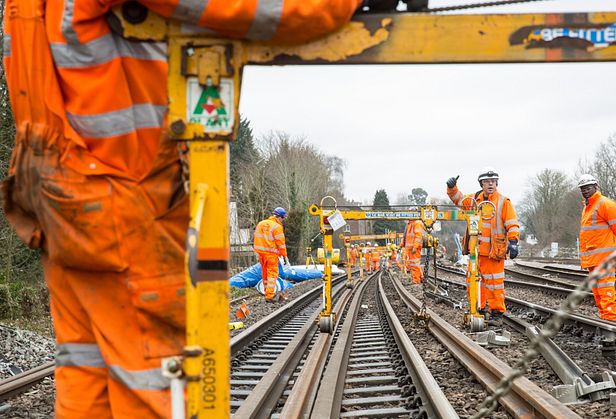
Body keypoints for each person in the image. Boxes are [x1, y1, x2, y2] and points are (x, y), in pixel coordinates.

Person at [1, 0, 389, 415]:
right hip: (127, 213)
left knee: (86, 371)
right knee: (153, 380)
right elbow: (263, 9)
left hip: (61, 203)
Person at [447, 167, 520, 319]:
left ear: (497, 183)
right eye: (487, 181)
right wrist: (452, 187)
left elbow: (512, 223)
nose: (490, 184)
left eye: (493, 181)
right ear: (481, 184)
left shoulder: (503, 202)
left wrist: (513, 241)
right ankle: (477, 309)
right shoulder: (474, 200)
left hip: (494, 251)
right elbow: (458, 199)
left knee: (495, 284)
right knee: (473, 281)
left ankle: (496, 313)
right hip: (476, 251)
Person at [577, 174, 616, 322]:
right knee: (597, 290)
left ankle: (610, 320)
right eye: (582, 189)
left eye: (588, 187)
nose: (585, 191)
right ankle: (604, 318)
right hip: (593, 257)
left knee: (605, 288)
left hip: (605, 257)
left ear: (596, 186)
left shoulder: (606, 204)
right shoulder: (587, 207)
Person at [253, 207, 290, 302]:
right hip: (271, 255)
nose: (283, 220)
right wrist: (284, 255)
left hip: (261, 254)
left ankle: (266, 292)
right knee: (272, 275)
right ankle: (269, 295)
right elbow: (281, 244)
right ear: (280, 217)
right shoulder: (277, 227)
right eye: (283, 218)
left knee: (265, 274)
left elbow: (256, 239)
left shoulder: (261, 224)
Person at [403, 208, 425, 284]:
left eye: (411, 212)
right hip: (411, 248)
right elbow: (406, 236)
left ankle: (416, 281)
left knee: (414, 264)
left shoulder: (417, 223)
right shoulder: (410, 224)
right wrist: (402, 245)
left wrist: (415, 247)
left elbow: (418, 236)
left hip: (414, 248)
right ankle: (421, 277)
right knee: (414, 264)